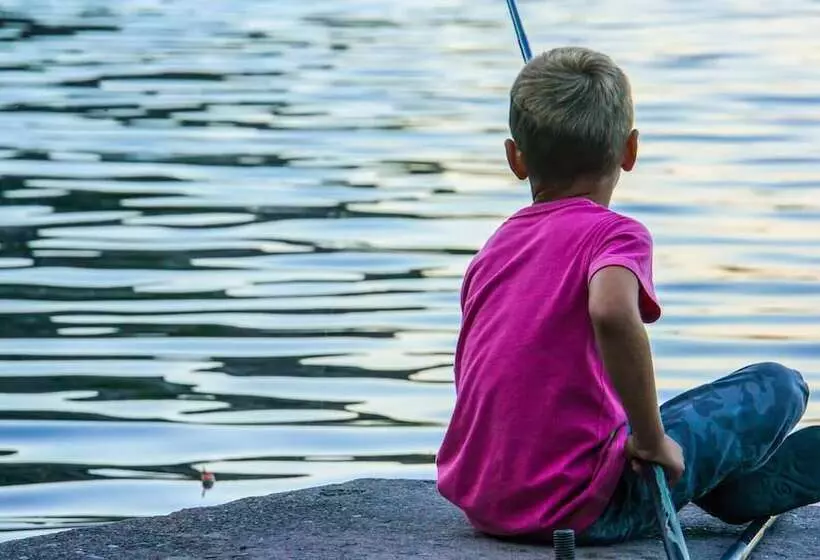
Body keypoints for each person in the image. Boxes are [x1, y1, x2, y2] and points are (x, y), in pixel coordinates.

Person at [435, 45, 817, 544]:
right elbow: (613, 312)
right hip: (581, 507)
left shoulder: (494, 249)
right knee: (779, 385)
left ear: (515, 159)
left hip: (485, 501)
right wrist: (653, 441)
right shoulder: (615, 235)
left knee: (646, 421)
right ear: (630, 150)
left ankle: (729, 482)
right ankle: (732, 488)